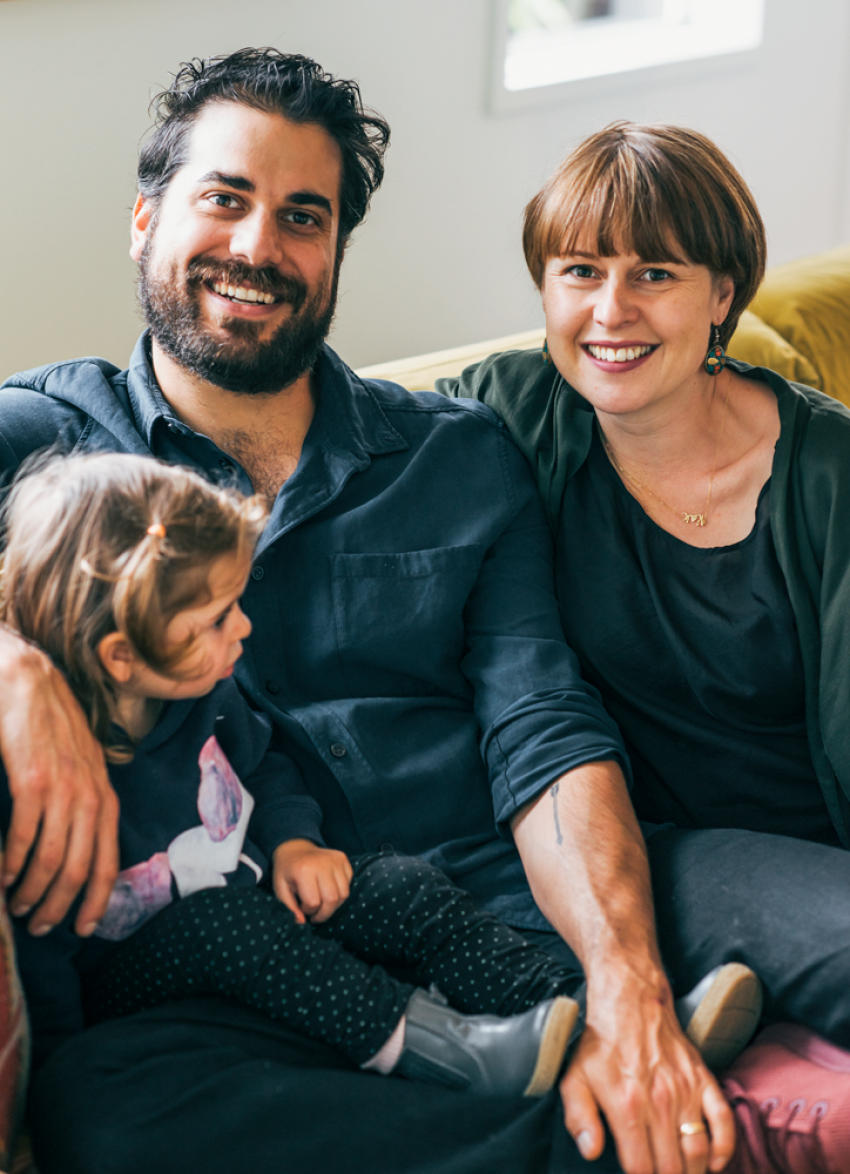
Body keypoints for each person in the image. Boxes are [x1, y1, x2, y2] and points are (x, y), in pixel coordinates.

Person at [0, 58, 742, 1174]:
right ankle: (607, 1124)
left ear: (338, 249)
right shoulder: (46, 441)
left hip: (481, 913)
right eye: (224, 198)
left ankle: (598, 1082)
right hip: (236, 972)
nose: (258, 246)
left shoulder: (459, 452)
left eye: (304, 217)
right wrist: (12, 667)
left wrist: (621, 980)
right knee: (100, 1115)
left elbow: (540, 720)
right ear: (146, 219)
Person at [440, 121, 850, 1164]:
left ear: (722, 294)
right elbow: (324, 444)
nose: (610, 310)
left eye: (654, 273)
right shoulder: (510, 413)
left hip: (815, 847)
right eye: (580, 271)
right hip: (635, 852)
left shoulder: (827, 473)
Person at [0, 449, 590, 1098]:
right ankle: (451, 1051)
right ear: (120, 656)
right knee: (222, 924)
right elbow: (39, 945)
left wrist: (293, 844)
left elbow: (263, 766)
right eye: (216, 619)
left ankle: (572, 1013)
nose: (243, 627)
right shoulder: (48, 775)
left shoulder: (205, 696)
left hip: (256, 919)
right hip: (136, 991)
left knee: (399, 884)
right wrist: (54, 1070)